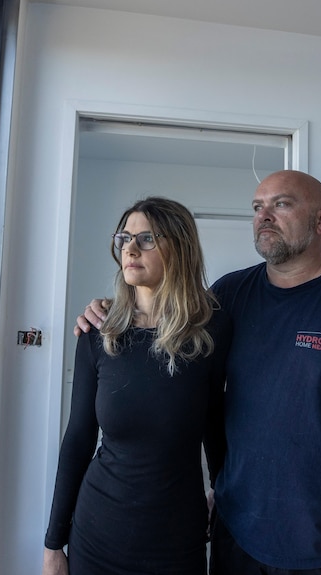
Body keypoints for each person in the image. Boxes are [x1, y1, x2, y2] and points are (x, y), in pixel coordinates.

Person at [76, 170, 321, 575]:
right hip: (236, 541)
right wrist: (108, 312)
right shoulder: (228, 297)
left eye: (282, 204)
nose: (264, 216)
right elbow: (164, 328)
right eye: (257, 207)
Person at [44, 197, 231, 575]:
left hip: (177, 540)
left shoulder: (211, 332)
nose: (130, 248)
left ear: (178, 247)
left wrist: (223, 495)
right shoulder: (99, 333)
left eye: (146, 238)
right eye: (125, 238)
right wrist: (53, 544)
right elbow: (79, 438)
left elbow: (215, 427)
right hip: (96, 533)